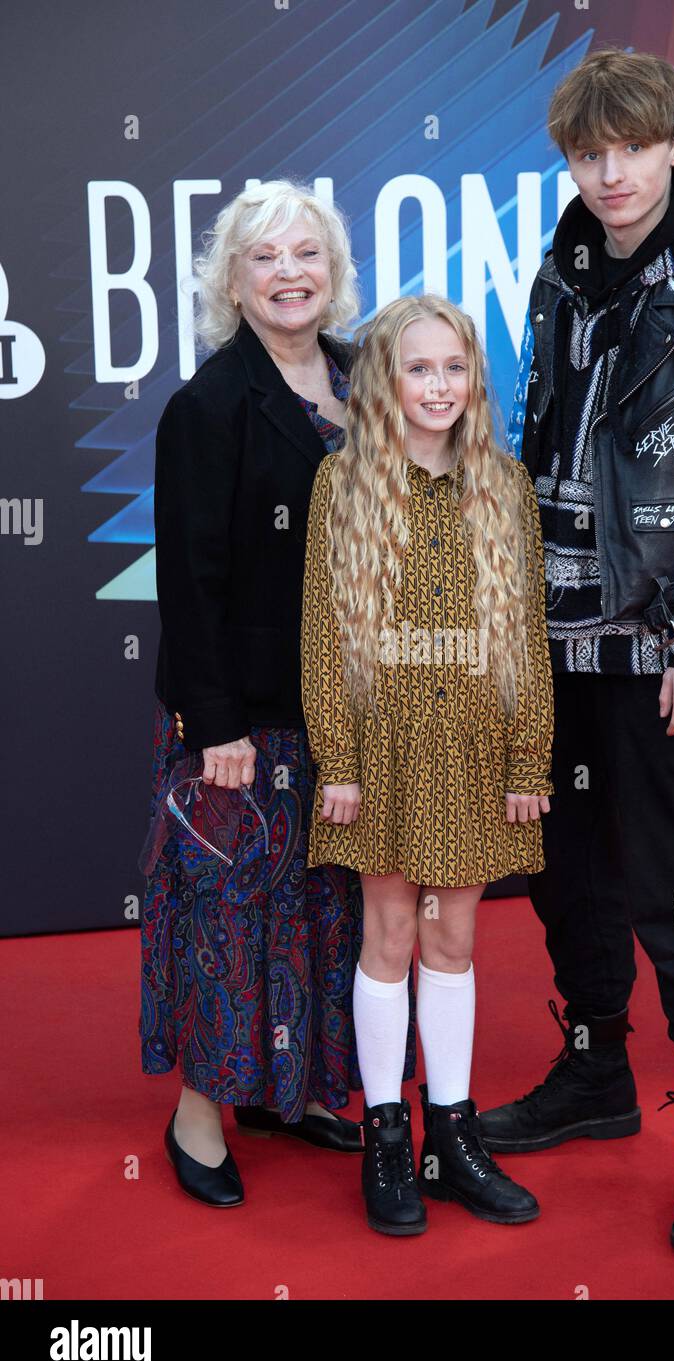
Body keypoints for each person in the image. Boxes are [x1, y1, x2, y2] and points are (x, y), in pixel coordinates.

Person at [477, 48, 674, 1255]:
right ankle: (594, 1069)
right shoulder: (558, 276)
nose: (609, 174)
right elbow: (532, 443)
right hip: (552, 647)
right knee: (567, 877)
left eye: (631, 146)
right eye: (585, 151)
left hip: (663, 649)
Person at [141, 179, 416, 1207]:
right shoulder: (206, 407)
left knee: (325, 907)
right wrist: (214, 725)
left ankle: (291, 1084)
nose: (289, 272)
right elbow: (190, 577)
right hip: (248, 715)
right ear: (232, 280)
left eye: (306, 253)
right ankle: (199, 1115)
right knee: (231, 914)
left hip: (354, 705)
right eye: (265, 257)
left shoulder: (364, 374)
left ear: (334, 270)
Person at [300, 294, 555, 1234]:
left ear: (473, 379)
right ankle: (385, 1133)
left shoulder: (506, 485)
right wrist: (341, 760)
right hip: (384, 751)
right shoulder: (346, 485)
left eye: (454, 368)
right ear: (386, 380)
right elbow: (324, 643)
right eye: (418, 368)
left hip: (478, 752)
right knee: (391, 934)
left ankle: (452, 1133)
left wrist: (530, 755)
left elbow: (526, 633)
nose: (438, 386)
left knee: (454, 942)